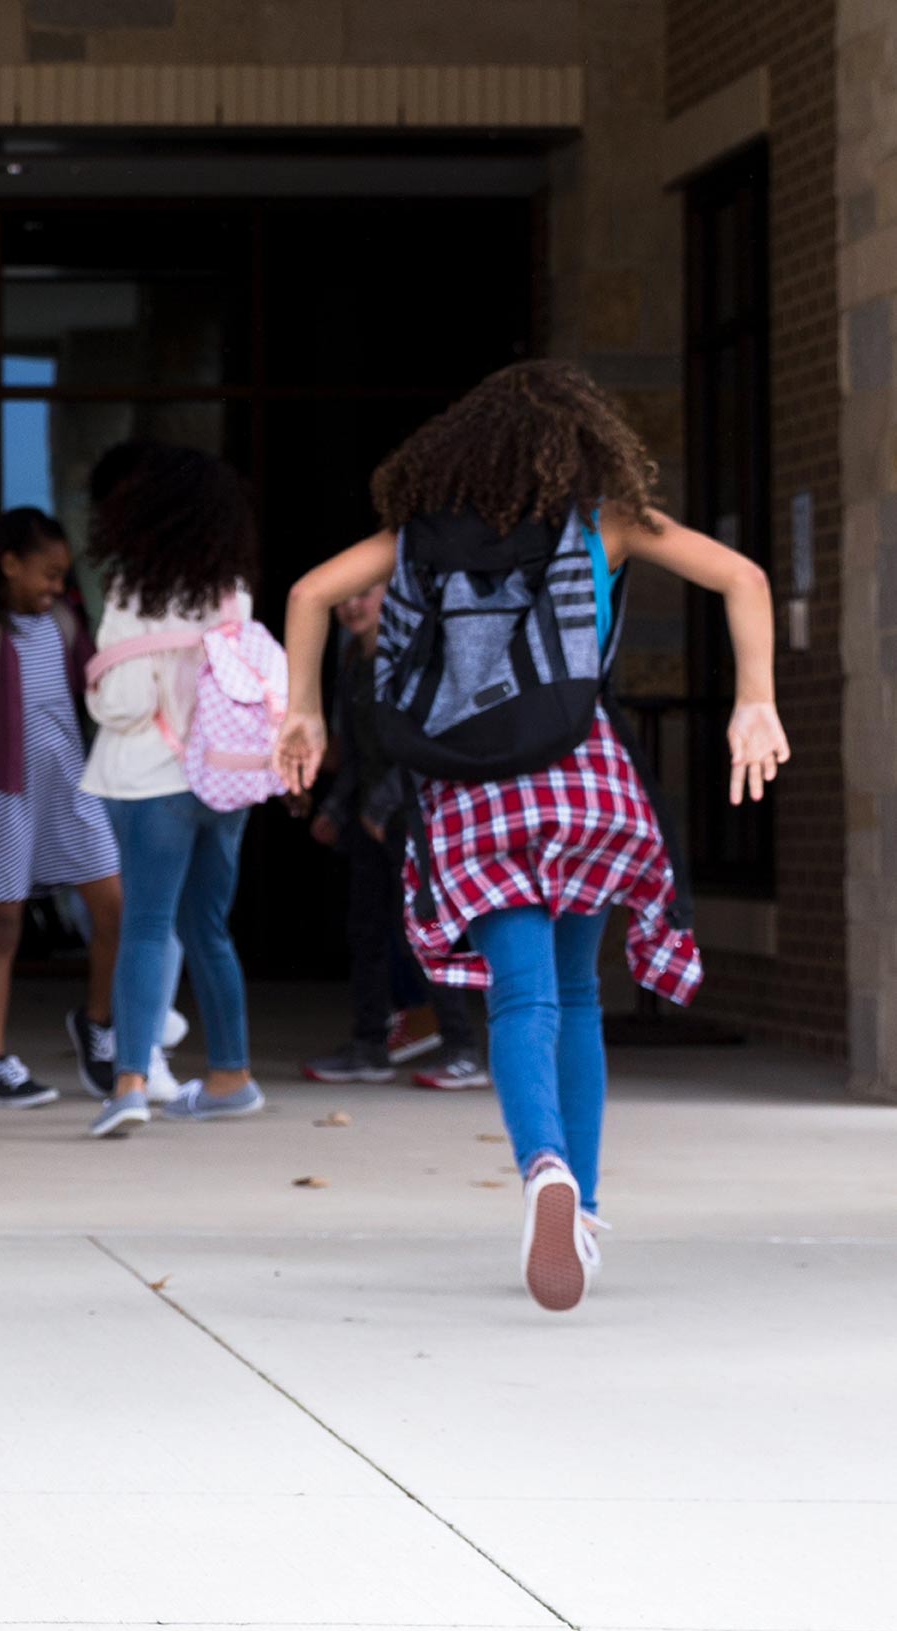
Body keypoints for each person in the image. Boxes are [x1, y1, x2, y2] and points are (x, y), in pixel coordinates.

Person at [280, 359, 787, 1311]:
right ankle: (581, 1206)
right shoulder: (607, 521)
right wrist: (752, 699)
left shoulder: (419, 537)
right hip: (583, 773)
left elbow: (309, 593)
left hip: (473, 791)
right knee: (578, 1000)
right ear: (583, 443)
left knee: (520, 1000)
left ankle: (542, 1170)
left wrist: (302, 712)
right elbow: (743, 577)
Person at [75, 445, 271, 1136]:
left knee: (144, 926)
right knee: (207, 928)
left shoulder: (133, 587)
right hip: (222, 778)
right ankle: (230, 1074)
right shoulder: (232, 590)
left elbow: (120, 703)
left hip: (146, 778)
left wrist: (107, 684)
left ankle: (128, 1080)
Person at [0, 508, 127, 1107]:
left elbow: (102, 682)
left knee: (113, 908)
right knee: (4, 924)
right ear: (9, 564)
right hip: (0, 795)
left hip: (73, 787)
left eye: (63, 576)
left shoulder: (66, 620)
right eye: (47, 573)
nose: (54, 587)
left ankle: (97, 1022)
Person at [298, 578, 479, 1089]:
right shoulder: (355, 659)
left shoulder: (410, 660)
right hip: (370, 820)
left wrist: (381, 806)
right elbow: (355, 752)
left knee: (428, 929)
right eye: (345, 597)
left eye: (364, 594)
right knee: (367, 929)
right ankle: (369, 1045)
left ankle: (462, 1046)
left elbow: (422, 744)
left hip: (416, 814)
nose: (352, 604)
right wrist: (336, 806)